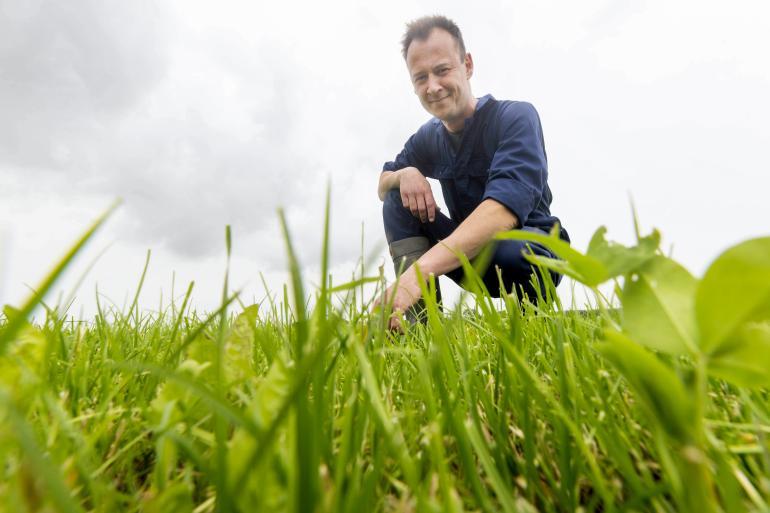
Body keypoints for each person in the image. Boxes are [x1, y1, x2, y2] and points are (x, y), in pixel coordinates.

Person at [375, 15, 569, 330]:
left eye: (442, 70)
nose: (433, 87)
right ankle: (420, 327)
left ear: (467, 65)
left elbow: (501, 214)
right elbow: (383, 184)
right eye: (420, 77)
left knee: (515, 252)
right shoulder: (428, 137)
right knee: (396, 199)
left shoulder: (516, 116)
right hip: (471, 256)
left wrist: (420, 272)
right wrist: (405, 173)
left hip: (530, 252)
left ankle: (538, 322)